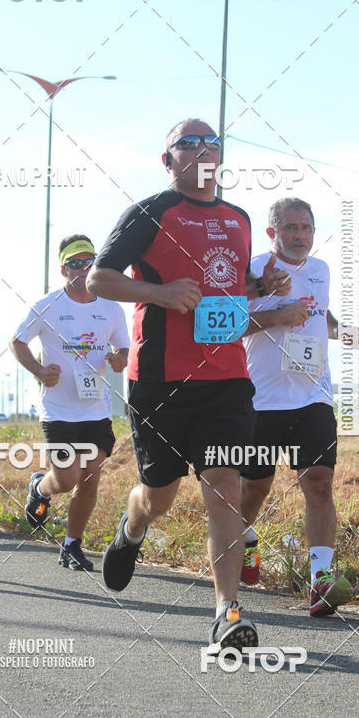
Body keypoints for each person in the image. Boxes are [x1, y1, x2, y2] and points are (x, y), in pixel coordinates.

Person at [87, 118, 292, 653]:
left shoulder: (239, 218)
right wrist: (157, 293)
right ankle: (131, 531)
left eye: (211, 142)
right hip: (160, 379)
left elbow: (227, 285)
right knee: (160, 495)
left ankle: (226, 613)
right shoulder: (150, 212)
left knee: (223, 488)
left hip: (227, 377)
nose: (203, 149)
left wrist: (259, 285)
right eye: (189, 142)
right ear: (168, 159)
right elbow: (99, 278)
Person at [240, 197, 353, 616]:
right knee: (255, 487)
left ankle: (321, 582)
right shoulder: (254, 270)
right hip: (261, 400)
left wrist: (343, 330)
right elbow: (226, 324)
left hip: (313, 396)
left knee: (320, 482)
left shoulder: (321, 270)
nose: (300, 235)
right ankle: (245, 536)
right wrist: (275, 316)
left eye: (306, 227)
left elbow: (319, 312)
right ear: (272, 233)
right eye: (291, 228)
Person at [10, 234, 129, 571]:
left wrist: (119, 359)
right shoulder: (47, 305)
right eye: (76, 263)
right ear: (63, 269)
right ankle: (40, 487)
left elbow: (123, 349)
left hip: (96, 408)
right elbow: (17, 342)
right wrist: (38, 370)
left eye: (90, 261)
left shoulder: (111, 307)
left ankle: (71, 544)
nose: (84, 268)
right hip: (59, 409)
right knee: (66, 478)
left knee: (90, 476)